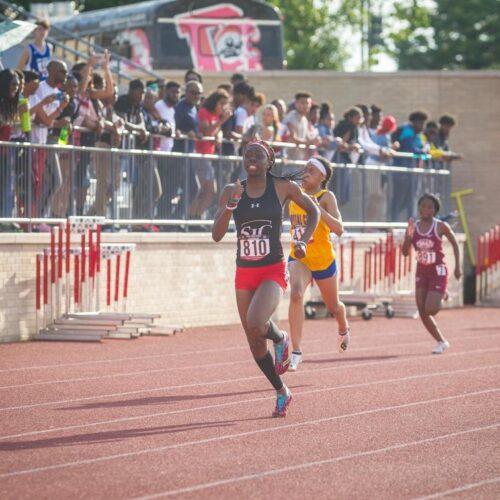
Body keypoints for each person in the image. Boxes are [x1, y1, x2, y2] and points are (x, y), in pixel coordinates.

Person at [212, 140, 319, 417]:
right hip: (244, 270)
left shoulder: (283, 187)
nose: (252, 158)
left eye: (258, 155)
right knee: (255, 341)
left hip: (272, 267)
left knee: (256, 321)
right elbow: (216, 233)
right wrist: (232, 205)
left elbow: (314, 211)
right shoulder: (232, 190)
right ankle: (282, 391)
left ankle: (281, 337)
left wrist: (304, 241)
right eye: (247, 154)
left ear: (268, 161)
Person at [287, 156, 350, 371]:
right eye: (305, 169)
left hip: (323, 259)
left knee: (333, 307)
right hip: (300, 255)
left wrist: (318, 210)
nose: (305, 173)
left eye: (311, 171)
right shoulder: (295, 192)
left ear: (322, 177)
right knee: (295, 294)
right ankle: (295, 351)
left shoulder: (326, 196)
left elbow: (339, 229)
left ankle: (343, 326)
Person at [402, 193, 461, 354]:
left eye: (429, 207)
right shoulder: (413, 227)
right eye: (422, 206)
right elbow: (405, 253)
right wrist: (407, 237)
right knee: (421, 310)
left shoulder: (440, 226)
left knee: (431, 310)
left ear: (434, 211)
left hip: (438, 270)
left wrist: (458, 267)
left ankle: (442, 293)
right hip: (422, 270)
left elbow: (455, 243)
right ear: (419, 208)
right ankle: (441, 341)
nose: (425, 209)